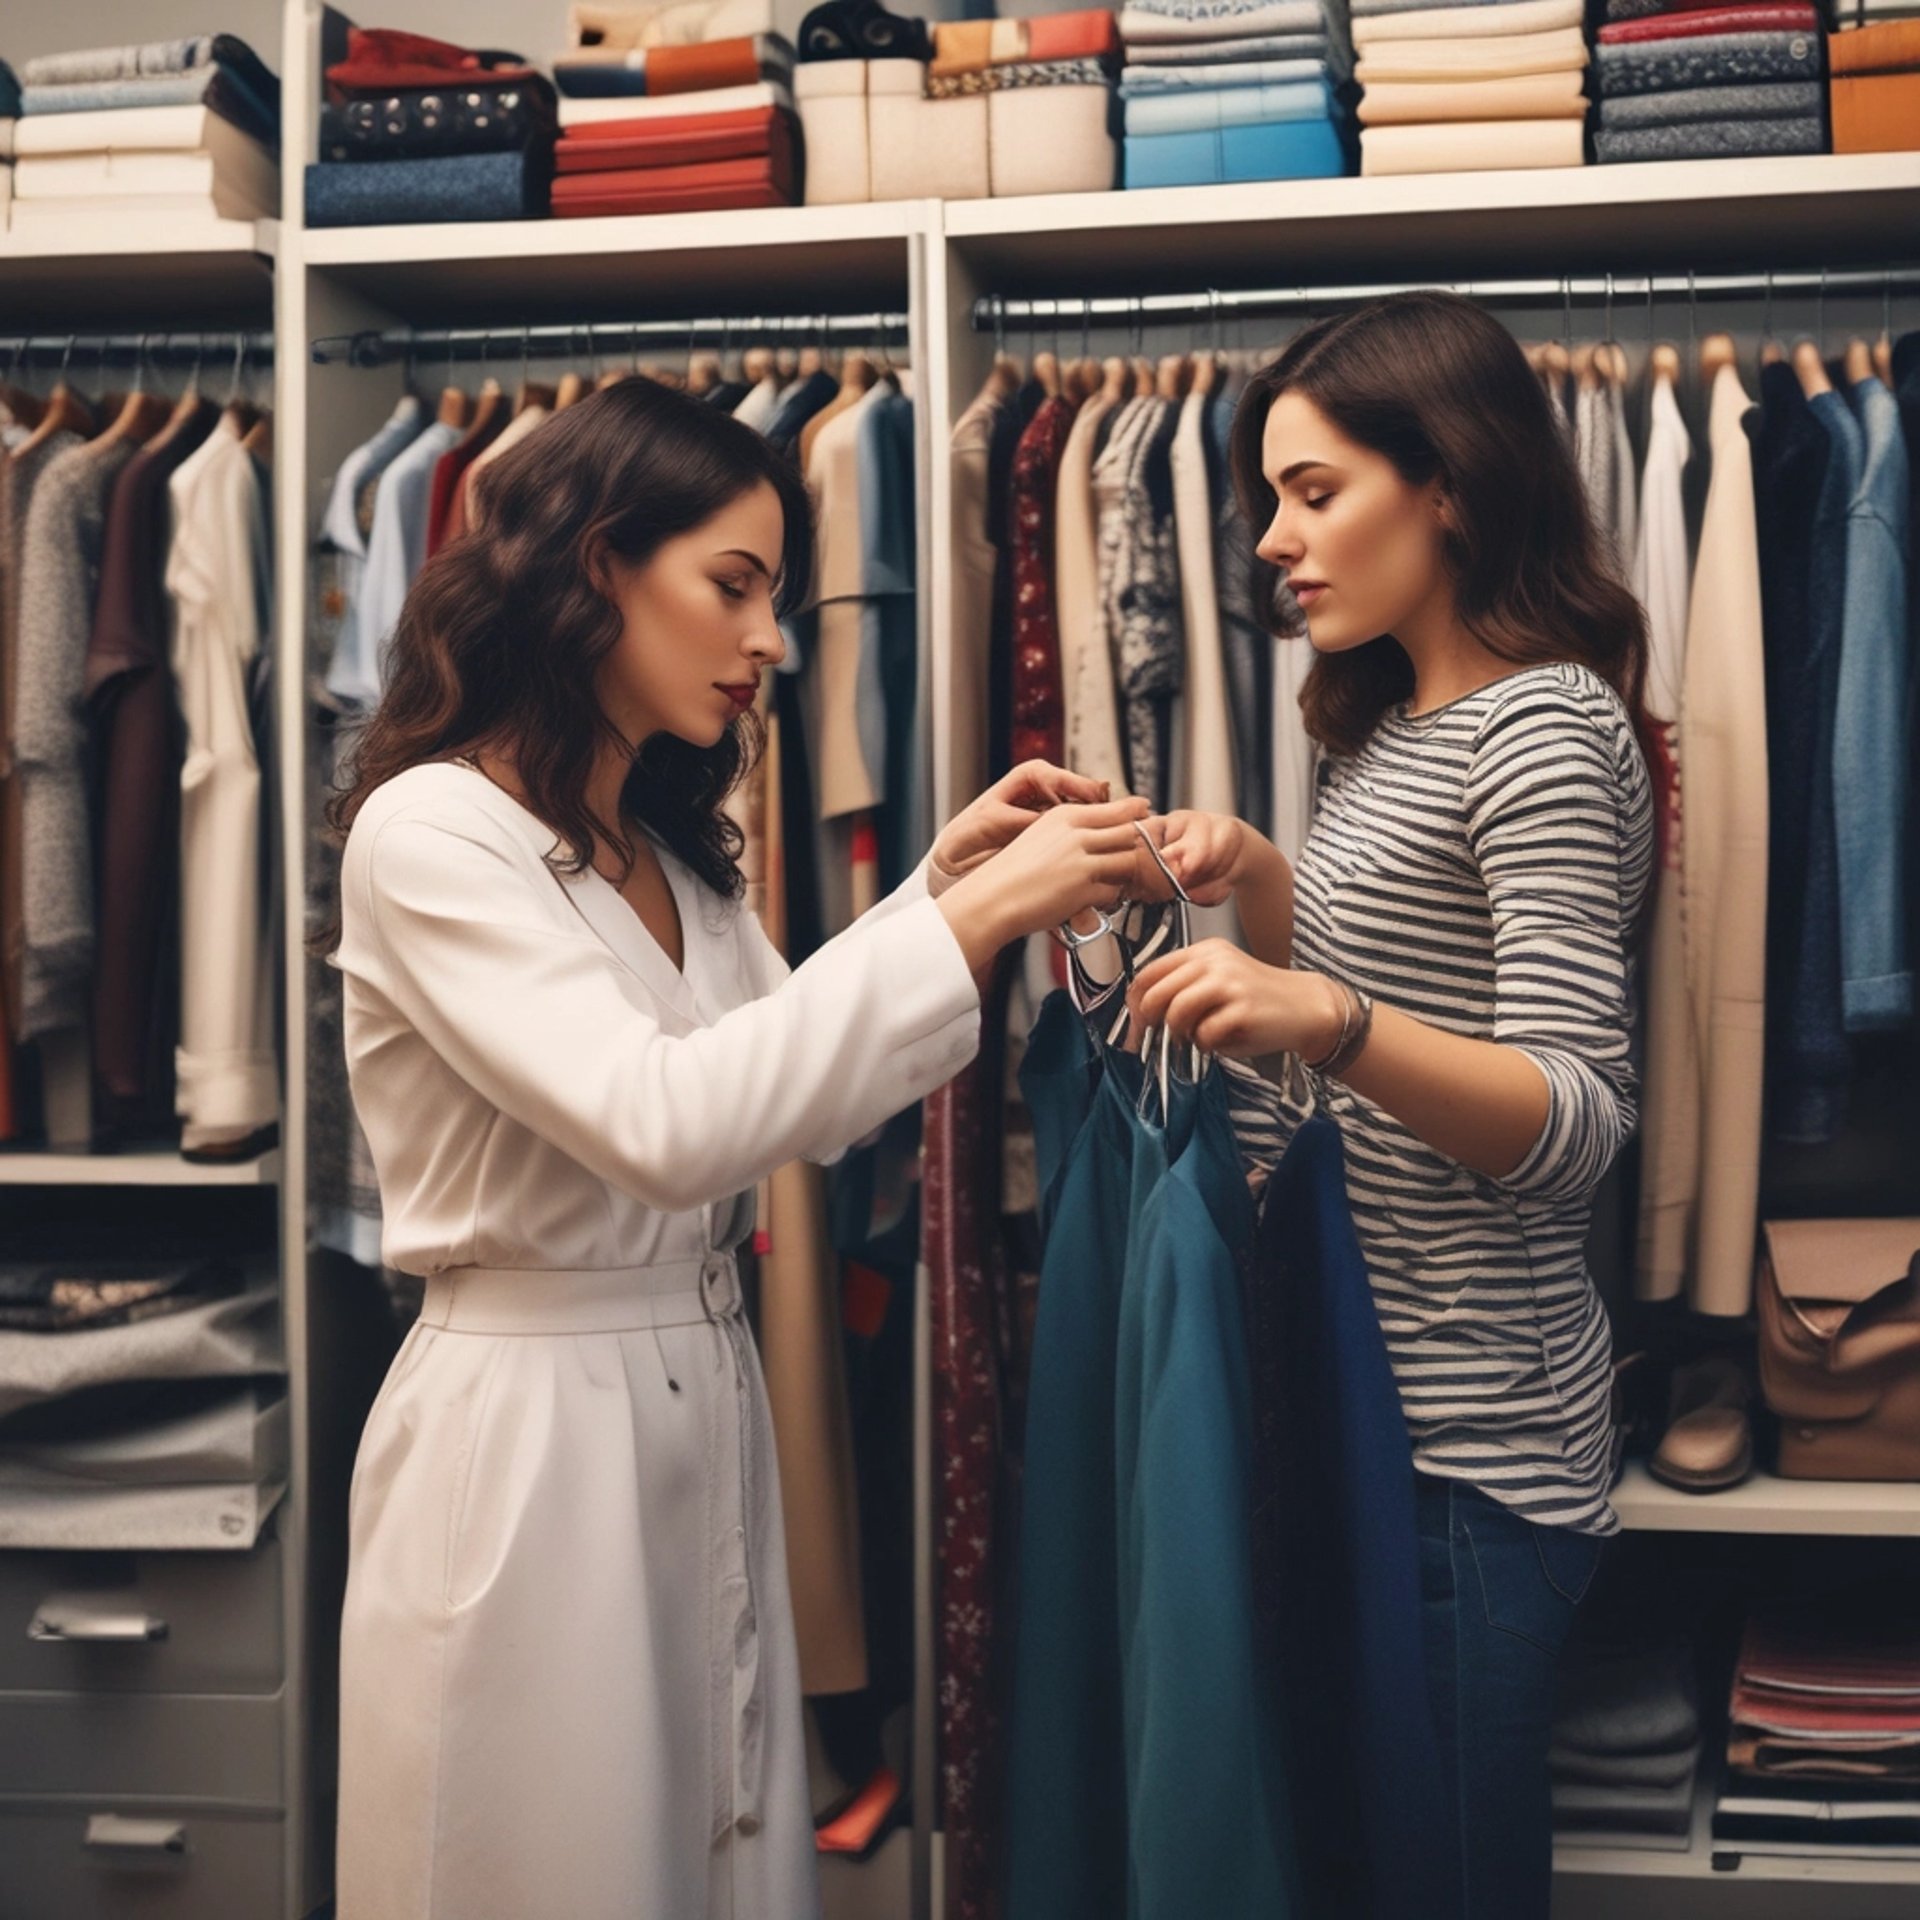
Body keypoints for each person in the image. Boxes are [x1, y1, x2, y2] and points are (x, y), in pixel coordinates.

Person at [325, 375, 1146, 1920]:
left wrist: (935, 887)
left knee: (711, 1847)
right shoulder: (432, 835)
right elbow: (669, 1123)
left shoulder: (656, 847)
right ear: (594, 565)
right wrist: (969, 918)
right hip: (531, 1432)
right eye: (736, 585)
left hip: (693, 1402)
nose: (774, 639)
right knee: (541, 1859)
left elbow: (800, 1092)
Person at [1124, 290, 1660, 1918]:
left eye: (1314, 490)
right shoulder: (1388, 725)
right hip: (1376, 1398)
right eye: (1266, 501)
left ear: (1448, 480)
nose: (1276, 540)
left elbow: (1574, 1113)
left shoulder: (1548, 728)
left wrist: (1327, 1014)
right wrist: (1271, 885)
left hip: (1476, 1455)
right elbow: (1390, 1029)